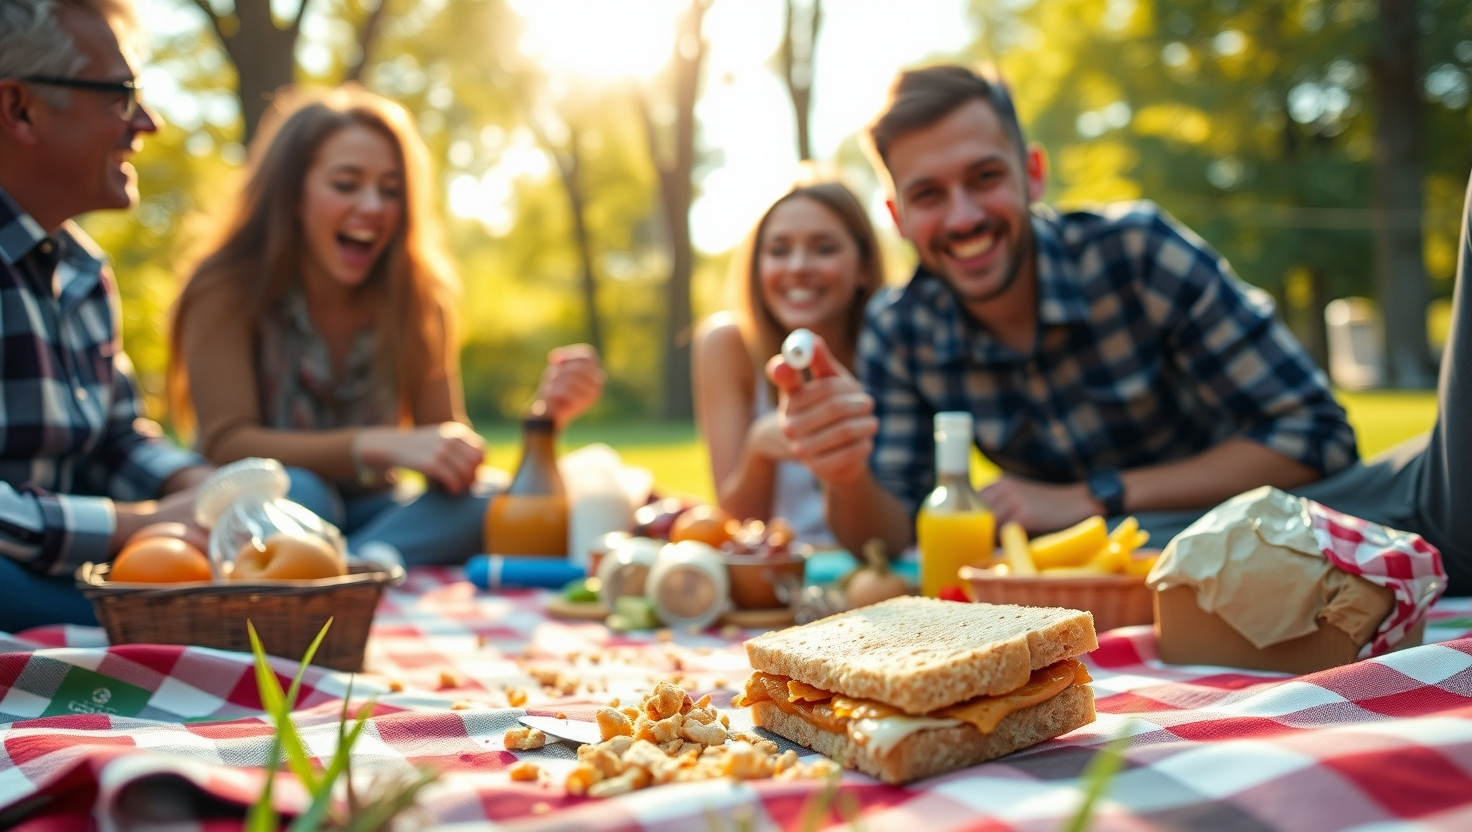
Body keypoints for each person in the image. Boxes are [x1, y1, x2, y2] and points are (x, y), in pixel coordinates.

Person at [769, 64, 1372, 569]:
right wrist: (843, 472)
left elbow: (1318, 436)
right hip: (1088, 595)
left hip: (1256, 550)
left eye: (985, 178)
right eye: (928, 195)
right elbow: (885, 539)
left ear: (1032, 175)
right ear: (899, 218)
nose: (963, 218)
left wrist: (1091, 497)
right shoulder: (901, 329)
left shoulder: (1139, 253)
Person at [168, 86, 604, 566]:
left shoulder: (418, 296)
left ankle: (350, 565)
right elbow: (228, 443)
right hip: (267, 510)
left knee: (489, 504)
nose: (374, 206)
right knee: (304, 491)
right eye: (346, 184)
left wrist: (542, 417)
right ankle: (350, 561)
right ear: (291, 194)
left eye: (391, 190)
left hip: (378, 511)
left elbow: (444, 453)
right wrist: (377, 445)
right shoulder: (224, 287)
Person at [0, 0, 213, 630]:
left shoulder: (85, 275)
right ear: (19, 109)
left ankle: (131, 621)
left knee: (291, 495)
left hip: (69, 563)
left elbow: (115, 438)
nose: (146, 122)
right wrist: (139, 526)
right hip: (29, 568)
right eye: (120, 95)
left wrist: (198, 486)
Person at [692, 181, 883, 547]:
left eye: (824, 248)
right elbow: (736, 527)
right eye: (779, 250)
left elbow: (885, 536)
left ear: (863, 266)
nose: (798, 266)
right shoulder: (727, 345)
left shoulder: (891, 343)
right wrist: (760, 447)